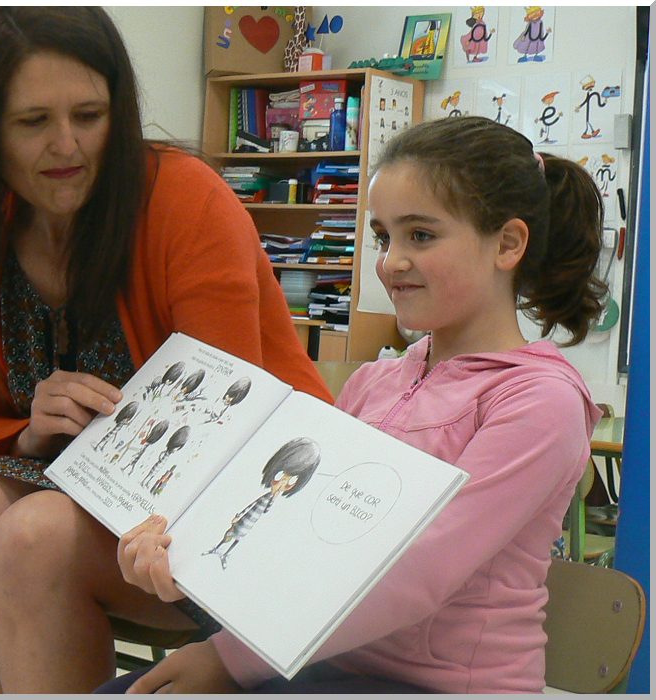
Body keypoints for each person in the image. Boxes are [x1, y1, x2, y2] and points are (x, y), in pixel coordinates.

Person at [0, 7, 332, 694]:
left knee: (34, 534)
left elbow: (228, 429)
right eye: (32, 121)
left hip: (229, 515)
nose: (66, 145)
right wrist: (32, 432)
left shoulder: (184, 198)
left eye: (90, 115)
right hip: (90, 511)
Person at [110, 115, 606, 693]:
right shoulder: (374, 382)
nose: (391, 262)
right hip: (319, 667)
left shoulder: (540, 402)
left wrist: (230, 659)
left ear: (508, 243)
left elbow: (417, 574)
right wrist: (186, 559)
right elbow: (290, 531)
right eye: (383, 237)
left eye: (420, 236)